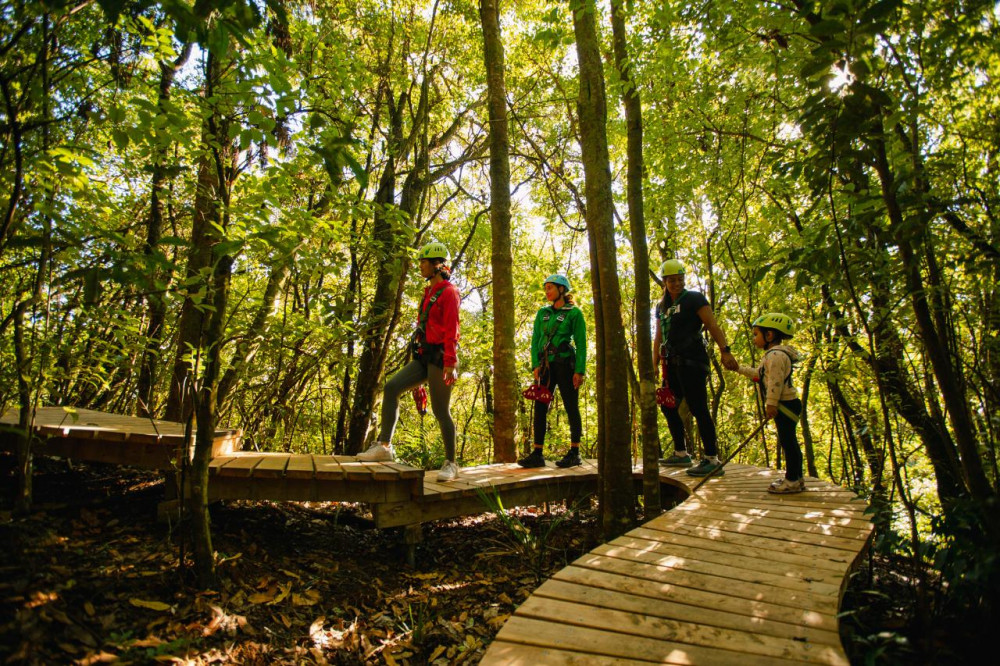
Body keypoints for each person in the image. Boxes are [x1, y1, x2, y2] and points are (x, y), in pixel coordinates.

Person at [357, 241, 461, 482]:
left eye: (424, 262)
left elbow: (451, 328)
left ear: (437, 265)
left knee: (440, 410)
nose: (420, 266)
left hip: (441, 357)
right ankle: (384, 447)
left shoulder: (449, 292)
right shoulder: (428, 293)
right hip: (424, 356)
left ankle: (451, 463)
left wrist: (450, 360)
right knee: (392, 387)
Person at [653, 259, 739, 477]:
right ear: (664, 281)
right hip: (671, 363)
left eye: (680, 279)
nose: (677, 283)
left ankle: (712, 458)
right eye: (672, 280)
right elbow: (658, 336)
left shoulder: (694, 298)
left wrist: (725, 350)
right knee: (668, 405)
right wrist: (653, 363)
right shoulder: (661, 306)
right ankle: (681, 453)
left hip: (692, 360)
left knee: (698, 407)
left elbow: (711, 324)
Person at [518, 274, 587, 469]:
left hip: (565, 365)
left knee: (570, 405)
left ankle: (575, 452)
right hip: (545, 366)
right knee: (540, 407)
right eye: (545, 287)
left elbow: (581, 344)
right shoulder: (542, 313)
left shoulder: (574, 313)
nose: (547, 291)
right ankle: (537, 453)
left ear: (562, 290)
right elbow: (535, 340)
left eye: (550, 287)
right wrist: (535, 365)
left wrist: (579, 371)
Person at [732, 313, 805, 493]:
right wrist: (738, 369)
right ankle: (796, 477)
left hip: (784, 405)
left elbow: (775, 382)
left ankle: (792, 480)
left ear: (769, 335)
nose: (754, 338)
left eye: (756, 334)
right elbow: (761, 374)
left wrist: (771, 404)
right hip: (788, 404)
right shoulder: (773, 355)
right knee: (790, 442)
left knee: (788, 443)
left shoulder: (775, 355)